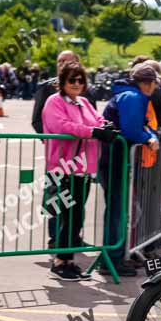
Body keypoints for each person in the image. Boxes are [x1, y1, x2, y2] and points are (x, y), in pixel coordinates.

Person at [42, 62, 114, 281]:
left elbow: (97, 120)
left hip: (84, 168)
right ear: (62, 82)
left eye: (80, 80)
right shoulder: (54, 101)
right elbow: (62, 126)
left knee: (76, 218)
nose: (76, 83)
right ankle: (59, 261)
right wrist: (93, 132)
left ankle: (69, 260)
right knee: (68, 216)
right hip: (64, 167)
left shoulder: (83, 102)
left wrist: (106, 126)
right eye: (71, 79)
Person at [99, 64, 161, 276]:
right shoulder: (132, 97)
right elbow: (132, 130)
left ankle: (114, 256)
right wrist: (148, 138)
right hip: (114, 158)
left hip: (116, 157)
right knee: (117, 210)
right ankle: (111, 260)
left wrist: (151, 135)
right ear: (148, 83)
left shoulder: (130, 95)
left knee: (118, 210)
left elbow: (140, 126)